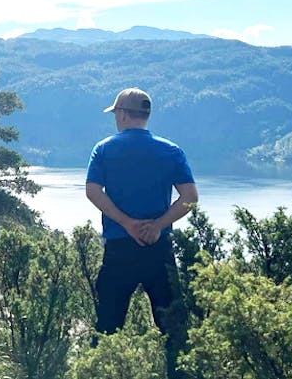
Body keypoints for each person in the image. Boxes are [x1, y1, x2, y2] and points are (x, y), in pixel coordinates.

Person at [85, 87, 198, 379]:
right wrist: (158, 225)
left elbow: (93, 191)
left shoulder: (104, 149)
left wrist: (126, 223)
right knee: (173, 329)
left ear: (122, 114)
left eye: (116, 114)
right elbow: (189, 197)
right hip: (158, 249)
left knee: (108, 325)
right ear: (145, 115)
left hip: (119, 249)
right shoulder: (171, 151)